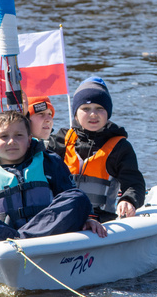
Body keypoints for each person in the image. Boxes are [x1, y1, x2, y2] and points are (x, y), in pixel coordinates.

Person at [0, 110, 107, 243]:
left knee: (78, 197)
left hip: (44, 233)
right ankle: (9, 241)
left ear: (30, 140)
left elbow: (69, 195)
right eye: (4, 136)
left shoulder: (49, 162)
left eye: (19, 136)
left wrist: (88, 218)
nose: (11, 142)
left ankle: (22, 240)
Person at [48, 77, 146, 223]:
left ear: (108, 113)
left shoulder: (120, 147)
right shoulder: (60, 140)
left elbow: (134, 184)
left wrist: (128, 200)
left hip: (101, 219)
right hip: (62, 215)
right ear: (75, 113)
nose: (93, 114)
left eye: (99, 109)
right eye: (86, 109)